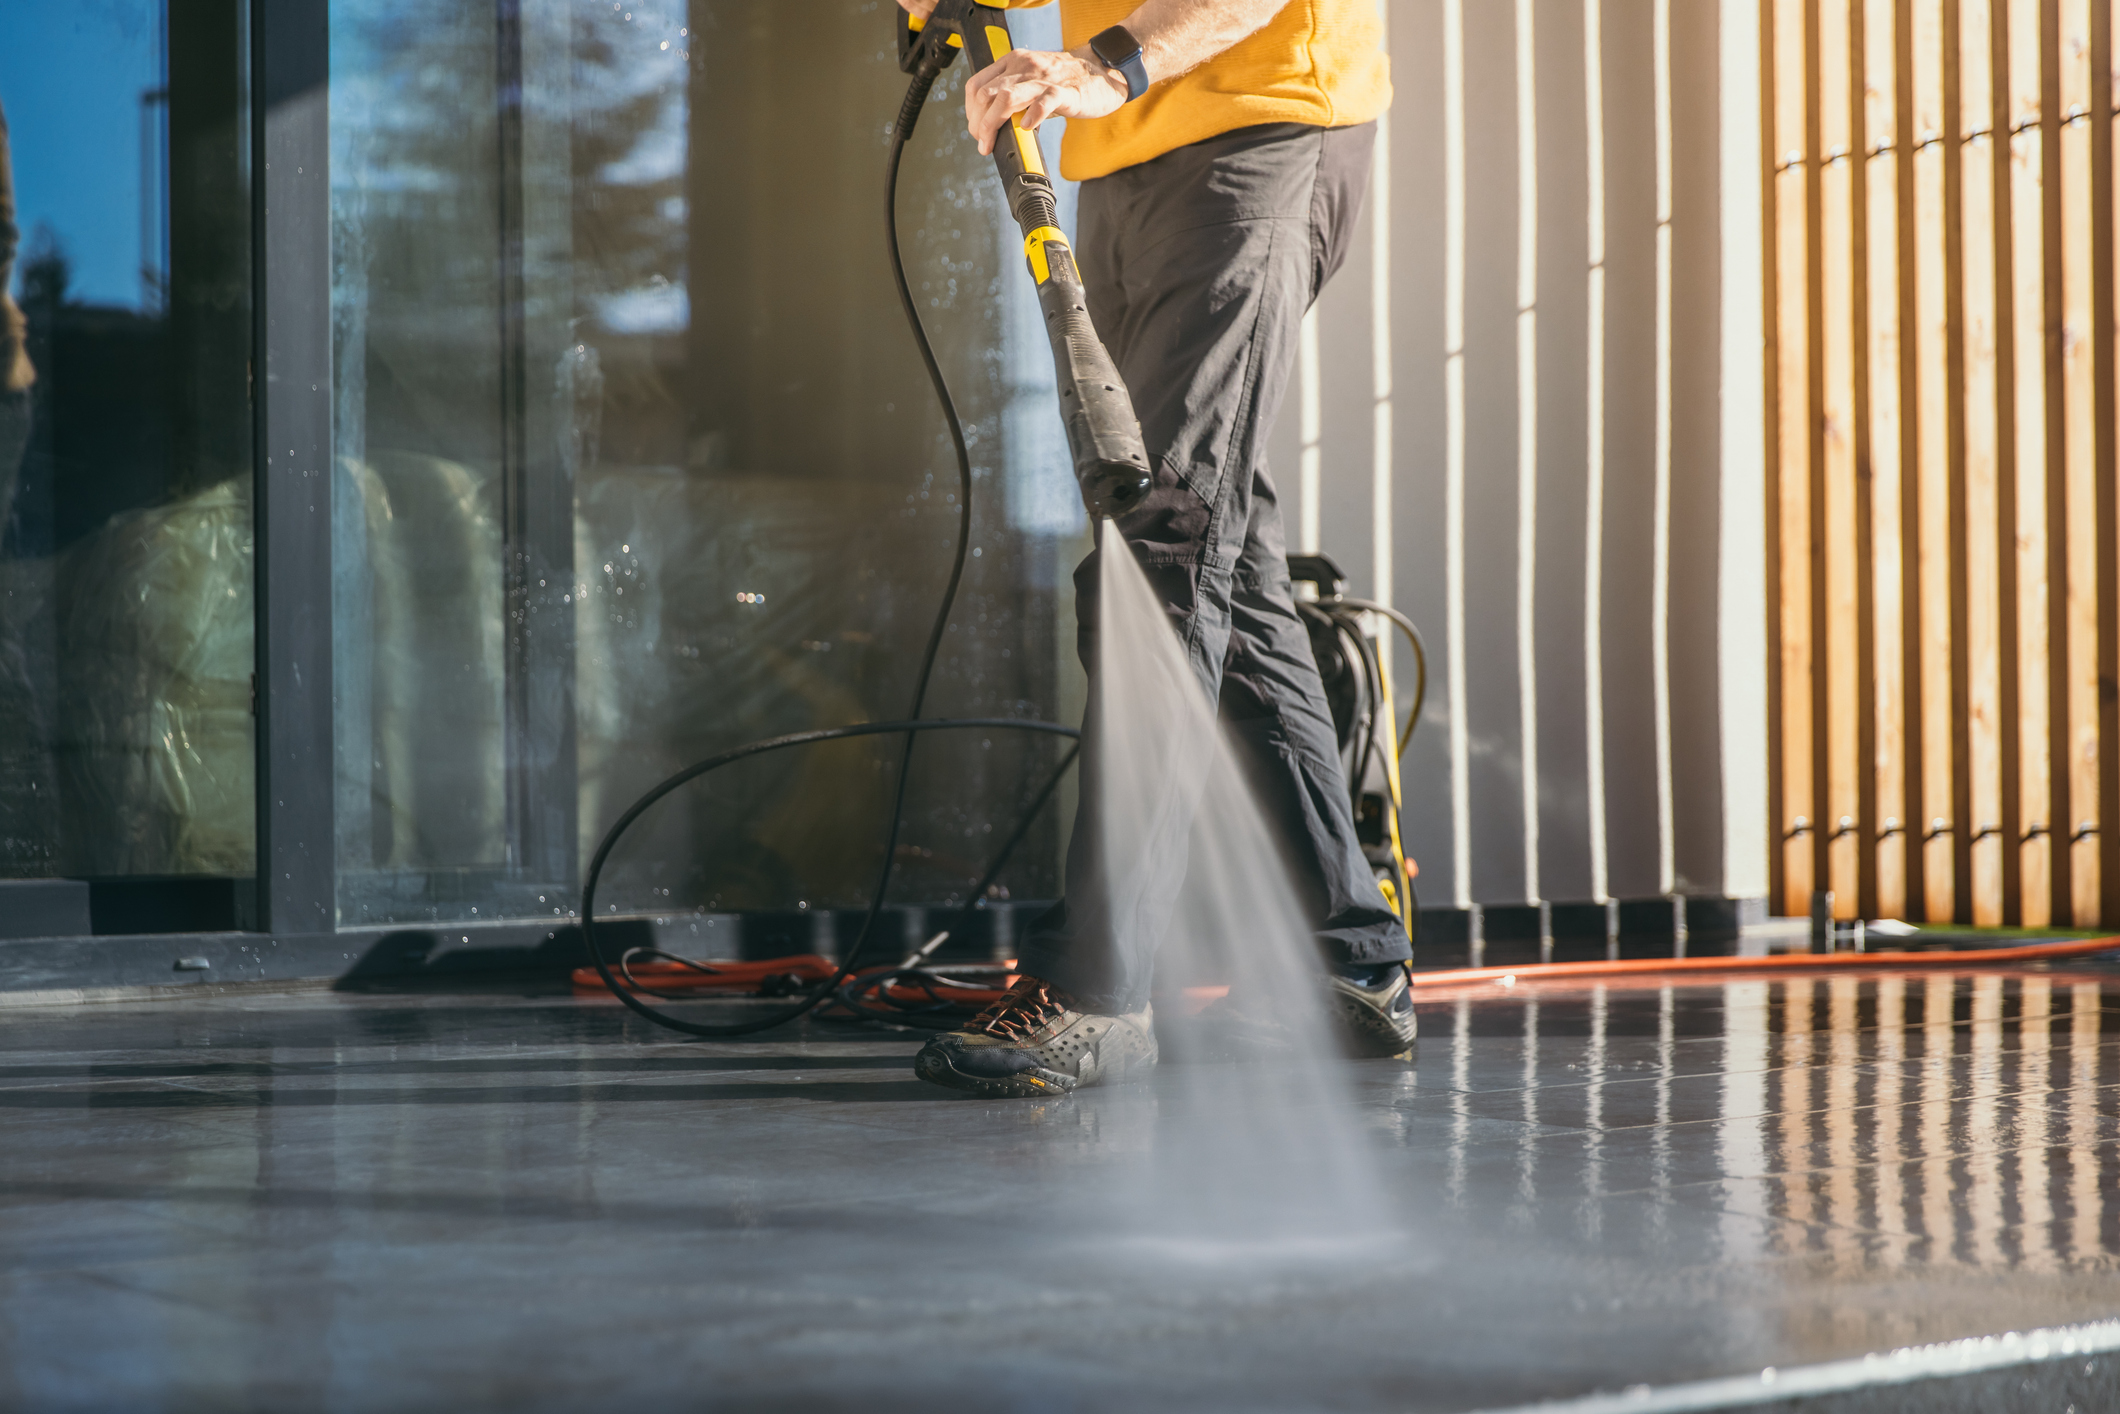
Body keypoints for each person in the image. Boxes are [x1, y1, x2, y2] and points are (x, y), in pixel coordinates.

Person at [905, 0, 1418, 1098]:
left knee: (1163, 550)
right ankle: (1352, 958)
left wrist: (1105, 64)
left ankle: (1095, 988)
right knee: (1219, 547)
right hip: (1128, 158)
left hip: (1256, 133)